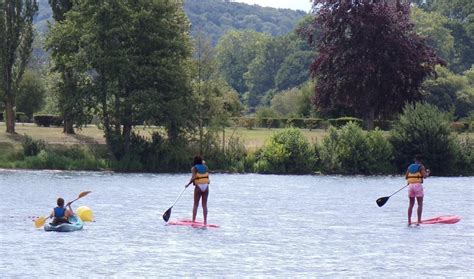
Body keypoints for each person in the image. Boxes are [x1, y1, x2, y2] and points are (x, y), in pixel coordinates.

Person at [405, 154, 430, 226]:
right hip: (418, 186)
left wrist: (411, 180)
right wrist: (428, 172)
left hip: (410, 186)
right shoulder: (421, 167)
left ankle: (409, 221)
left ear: (415, 160)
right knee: (420, 204)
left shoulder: (410, 167)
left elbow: (406, 177)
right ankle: (419, 221)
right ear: (421, 160)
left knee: (411, 204)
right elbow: (425, 176)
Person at [186, 156, 210, 224]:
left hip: (198, 186)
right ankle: (205, 221)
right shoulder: (206, 167)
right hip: (206, 186)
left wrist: (188, 184)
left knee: (196, 204)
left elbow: (193, 178)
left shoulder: (194, 168)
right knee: (204, 205)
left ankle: (193, 221)